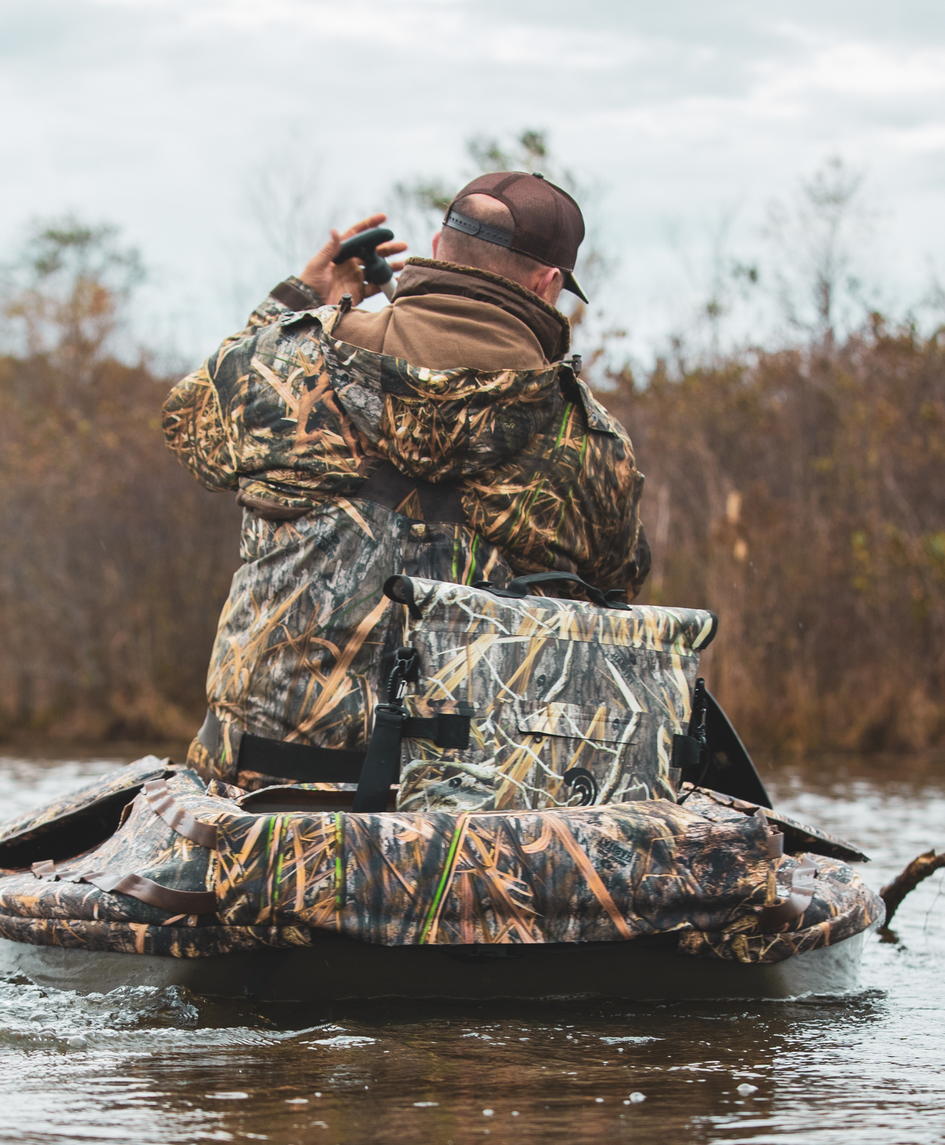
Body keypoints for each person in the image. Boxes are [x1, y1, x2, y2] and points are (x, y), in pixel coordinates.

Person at [163, 171, 651, 791]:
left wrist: (300, 301)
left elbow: (189, 424)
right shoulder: (593, 444)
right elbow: (616, 590)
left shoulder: (285, 361)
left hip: (257, 792)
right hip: (464, 813)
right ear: (548, 283)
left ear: (438, 245)